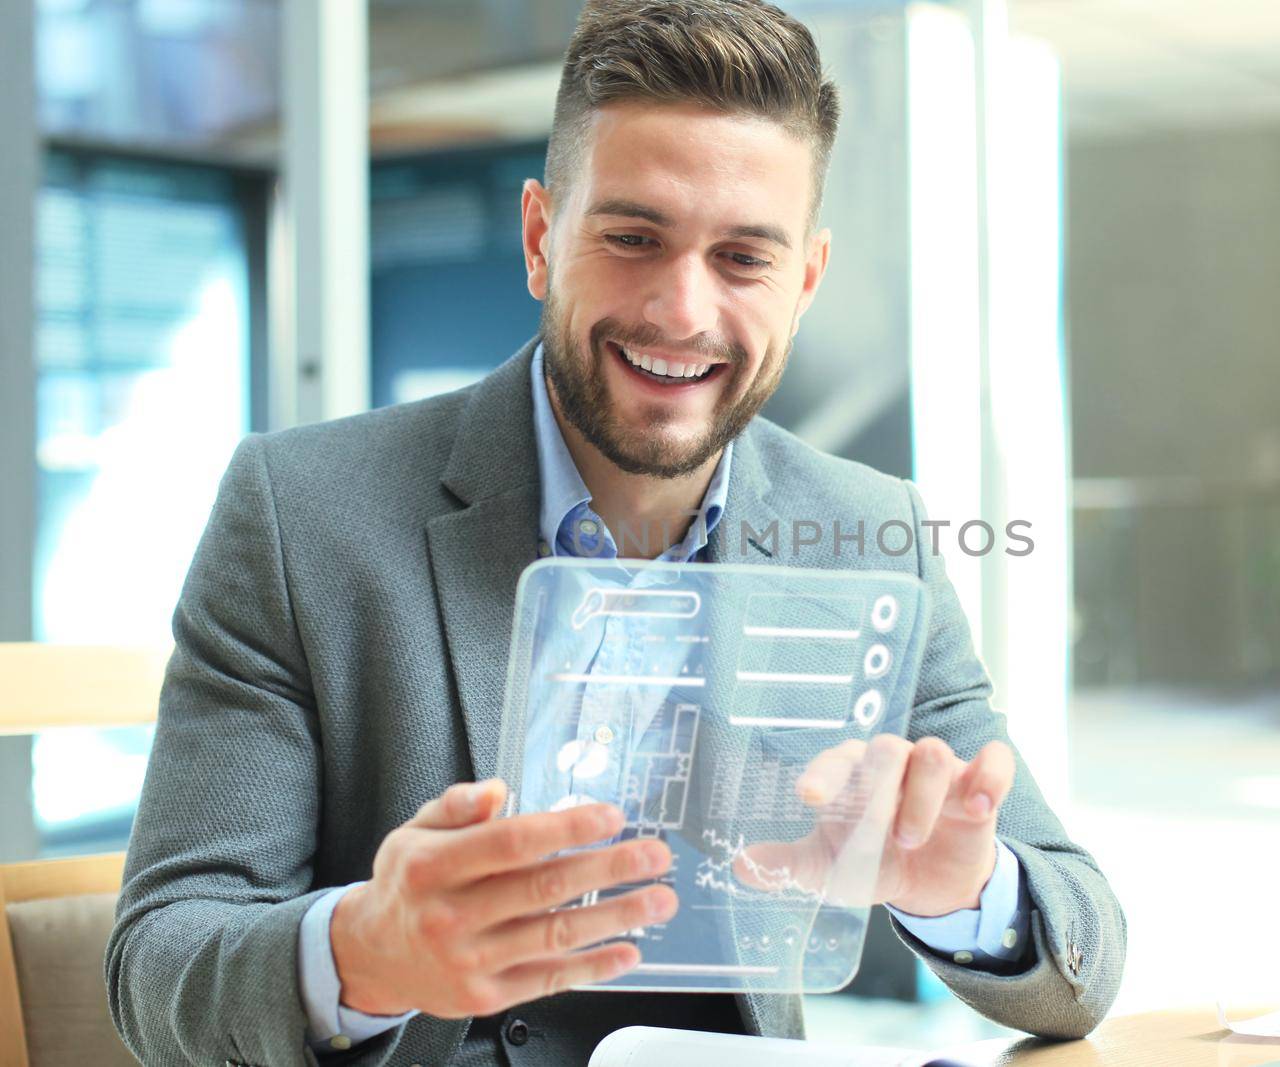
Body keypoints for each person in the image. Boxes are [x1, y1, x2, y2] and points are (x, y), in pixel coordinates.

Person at [106, 2, 1126, 1064]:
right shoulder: (298, 512)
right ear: (543, 238)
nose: (681, 310)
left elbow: (1084, 957)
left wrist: (964, 888)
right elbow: (158, 965)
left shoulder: (869, 531)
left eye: (742, 258)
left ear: (805, 281)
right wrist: (371, 949)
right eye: (634, 238)